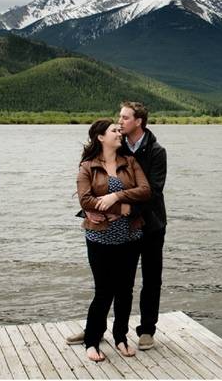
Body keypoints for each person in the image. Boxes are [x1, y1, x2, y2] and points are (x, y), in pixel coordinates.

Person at [67, 102, 167, 351]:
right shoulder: (112, 152)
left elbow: (152, 192)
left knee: (150, 279)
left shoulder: (155, 151)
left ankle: (146, 330)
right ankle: (96, 330)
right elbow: (90, 191)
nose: (120, 122)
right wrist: (91, 210)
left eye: (124, 117)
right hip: (114, 228)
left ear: (138, 121)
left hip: (150, 223)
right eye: (118, 119)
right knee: (108, 285)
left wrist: (124, 208)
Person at [76, 118, 151, 361]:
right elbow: (85, 200)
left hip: (130, 236)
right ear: (100, 137)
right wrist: (124, 209)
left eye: (120, 129)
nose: (120, 133)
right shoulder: (88, 166)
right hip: (99, 238)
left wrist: (115, 198)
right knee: (103, 291)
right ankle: (92, 340)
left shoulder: (129, 162)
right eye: (114, 131)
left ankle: (120, 337)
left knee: (125, 290)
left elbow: (145, 190)